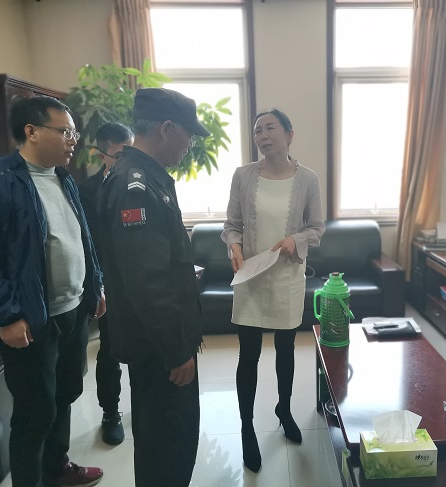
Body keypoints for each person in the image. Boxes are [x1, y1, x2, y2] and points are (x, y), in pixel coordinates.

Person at [0, 95, 106, 487]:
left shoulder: (63, 178)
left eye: (73, 133)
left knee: (65, 394)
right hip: (29, 319)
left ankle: (56, 467)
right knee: (36, 412)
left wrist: (95, 284)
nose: (73, 140)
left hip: (73, 310)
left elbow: (82, 238)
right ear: (31, 131)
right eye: (65, 131)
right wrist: (6, 316)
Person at [96, 88, 207, 487]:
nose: (190, 143)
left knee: (165, 439)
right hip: (160, 350)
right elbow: (148, 282)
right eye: (188, 134)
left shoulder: (145, 175)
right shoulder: (135, 186)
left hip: (158, 343)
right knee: (167, 445)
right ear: (166, 128)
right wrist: (176, 350)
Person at [221, 108, 325, 473]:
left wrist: (295, 240)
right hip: (251, 277)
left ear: (289, 134)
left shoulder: (308, 179)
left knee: (285, 349)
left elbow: (316, 228)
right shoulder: (243, 175)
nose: (262, 135)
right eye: (257, 130)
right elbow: (231, 225)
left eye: (269, 128)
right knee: (248, 355)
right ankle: (247, 426)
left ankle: (284, 408)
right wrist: (234, 246)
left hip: (286, 277)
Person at [78, 122, 134, 445]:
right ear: (102, 156)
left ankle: (143, 404)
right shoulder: (85, 192)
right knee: (110, 350)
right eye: (120, 155)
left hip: (138, 283)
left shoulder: (140, 183)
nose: (127, 161)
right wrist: (97, 287)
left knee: (142, 348)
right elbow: (87, 246)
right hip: (107, 286)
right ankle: (110, 412)